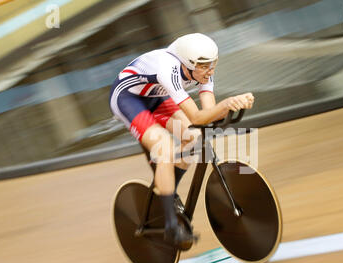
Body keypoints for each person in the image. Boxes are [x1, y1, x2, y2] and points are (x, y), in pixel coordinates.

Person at [109, 33, 254, 249]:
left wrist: (235, 104)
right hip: (128, 98)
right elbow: (197, 117)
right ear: (188, 64)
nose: (210, 70)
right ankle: (170, 225)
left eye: (213, 64)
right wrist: (227, 104)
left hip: (157, 95)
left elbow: (209, 113)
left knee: (194, 138)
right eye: (205, 66)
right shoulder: (168, 70)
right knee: (164, 148)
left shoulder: (204, 71)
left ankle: (167, 191)